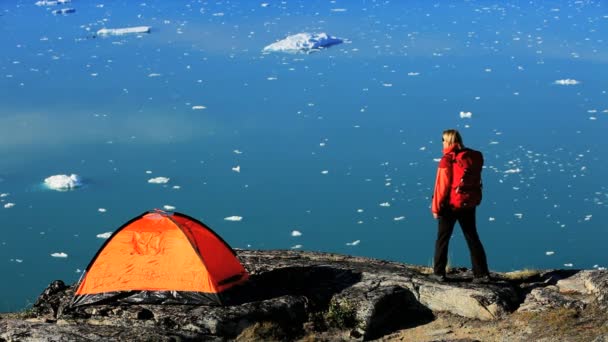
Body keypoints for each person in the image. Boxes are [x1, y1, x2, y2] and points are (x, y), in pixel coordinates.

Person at [430, 129, 490, 283]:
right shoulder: (473, 156)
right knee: (472, 237)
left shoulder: (447, 160)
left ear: (448, 141)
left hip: (450, 205)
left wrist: (436, 208)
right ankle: (482, 274)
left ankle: (438, 273)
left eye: (443, 139)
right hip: (468, 203)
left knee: (442, 239)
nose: (442, 142)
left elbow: (441, 187)